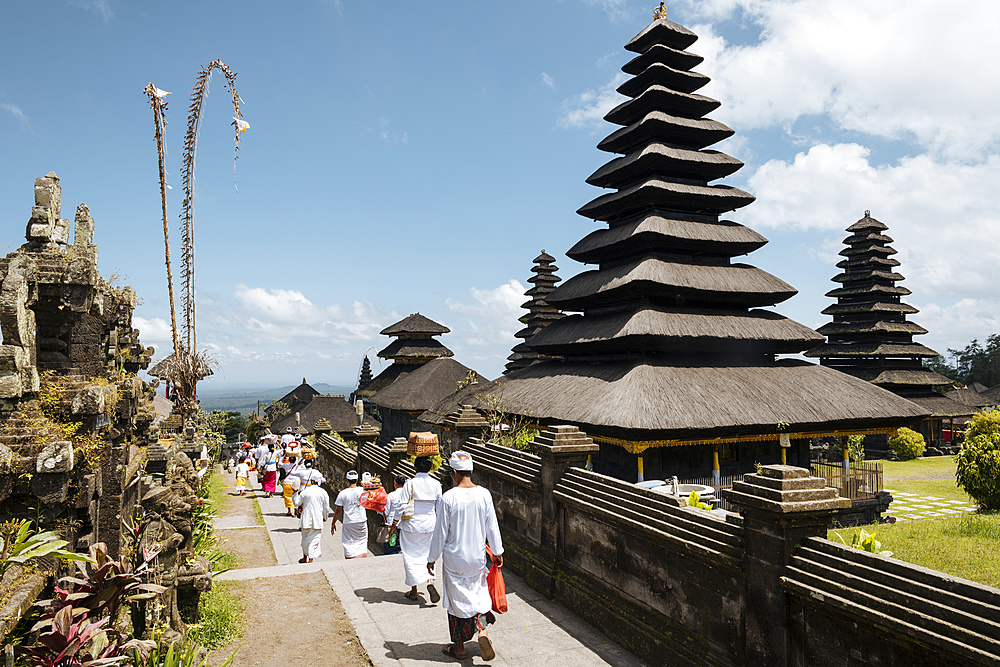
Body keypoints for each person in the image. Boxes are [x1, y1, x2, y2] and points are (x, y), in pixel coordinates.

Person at [427, 451, 503, 662]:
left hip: (455, 559)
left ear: (453, 473)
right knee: (478, 594)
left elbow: (440, 532)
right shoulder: (484, 494)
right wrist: (497, 552)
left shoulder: (448, 497)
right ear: (471, 471)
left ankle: (459, 647)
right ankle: (482, 630)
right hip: (477, 558)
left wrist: (431, 558)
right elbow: (492, 527)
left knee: (455, 601)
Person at [392, 456, 442, 602]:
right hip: (430, 524)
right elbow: (439, 507)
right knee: (429, 554)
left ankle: (414, 591)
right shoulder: (436, 484)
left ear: (415, 468)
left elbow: (401, 505)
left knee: (410, 557)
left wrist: (394, 523)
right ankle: (430, 581)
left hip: (411, 525)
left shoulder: (410, 483)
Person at [293, 472, 332, 563]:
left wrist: (295, 493)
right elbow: (326, 507)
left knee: (305, 539)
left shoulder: (305, 492)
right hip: (317, 519)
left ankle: (305, 558)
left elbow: (296, 503)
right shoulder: (323, 492)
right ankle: (310, 559)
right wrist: (325, 517)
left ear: (311, 480)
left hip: (305, 519)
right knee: (314, 541)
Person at [331, 471, 368, 559]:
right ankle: (361, 559)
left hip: (349, 522)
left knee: (349, 543)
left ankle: (351, 559)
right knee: (362, 542)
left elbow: (338, 510)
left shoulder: (343, 493)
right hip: (361, 521)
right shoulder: (363, 490)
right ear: (357, 480)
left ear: (347, 480)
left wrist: (333, 523)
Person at [382, 475, 406, 555]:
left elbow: (387, 510)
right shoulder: (408, 495)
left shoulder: (391, 495)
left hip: (392, 522)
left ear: (395, 483)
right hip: (404, 523)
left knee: (390, 545)